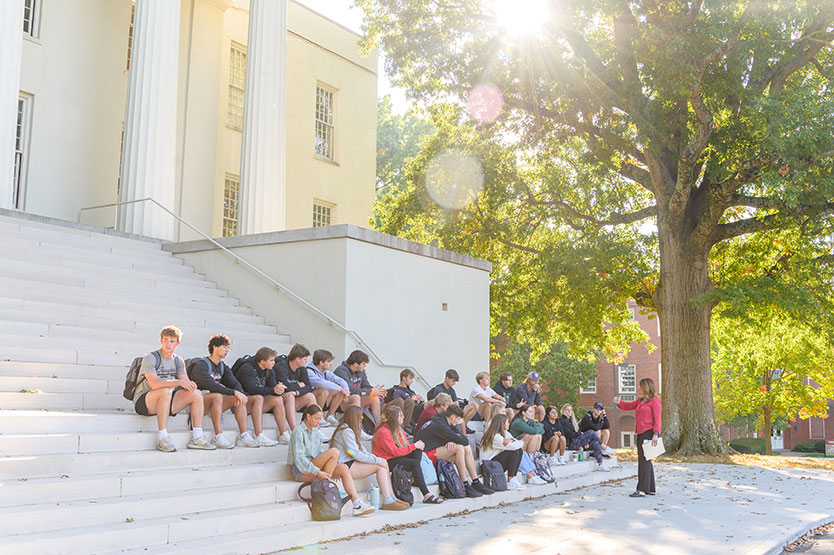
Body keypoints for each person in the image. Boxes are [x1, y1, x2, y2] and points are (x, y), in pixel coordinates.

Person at [132, 326, 214, 452]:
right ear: (161, 341)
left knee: (196, 394)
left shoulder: (178, 361)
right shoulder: (151, 358)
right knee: (165, 390)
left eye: (172, 341)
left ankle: (197, 437)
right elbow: (154, 384)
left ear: (178, 343)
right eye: (165, 340)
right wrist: (178, 382)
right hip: (144, 400)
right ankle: (163, 438)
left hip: (166, 400)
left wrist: (191, 385)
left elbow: (186, 382)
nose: (168, 344)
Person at [287, 404, 375, 516]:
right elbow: (299, 460)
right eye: (316, 418)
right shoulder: (298, 431)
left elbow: (319, 454)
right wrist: (318, 472)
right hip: (300, 471)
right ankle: (325, 490)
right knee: (334, 452)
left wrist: (332, 467)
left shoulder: (315, 432)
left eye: (320, 419)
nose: (319, 422)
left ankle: (357, 505)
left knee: (343, 468)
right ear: (308, 416)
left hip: (314, 466)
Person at [189, 334, 262, 449]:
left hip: (214, 403)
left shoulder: (223, 366)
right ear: (215, 347)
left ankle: (243, 435)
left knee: (239, 397)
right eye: (224, 347)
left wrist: (238, 393)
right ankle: (218, 436)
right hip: (197, 404)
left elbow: (235, 383)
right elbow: (211, 385)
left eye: (228, 347)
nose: (227, 350)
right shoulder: (202, 365)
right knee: (218, 396)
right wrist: (233, 392)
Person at [330, 406, 409, 510]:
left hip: (351, 462)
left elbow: (363, 446)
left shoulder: (352, 429)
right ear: (355, 417)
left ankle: (392, 498)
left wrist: (377, 457)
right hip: (345, 464)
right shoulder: (346, 432)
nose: (362, 418)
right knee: (380, 466)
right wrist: (377, 460)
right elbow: (355, 454)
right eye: (360, 416)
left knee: (383, 462)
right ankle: (388, 500)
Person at [416, 404, 494, 498]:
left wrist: (451, 439)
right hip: (424, 456)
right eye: (458, 420)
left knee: (466, 447)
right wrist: (461, 425)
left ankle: (475, 481)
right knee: (459, 448)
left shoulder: (444, 419)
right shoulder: (441, 425)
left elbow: (460, 438)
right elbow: (463, 440)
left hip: (432, 449)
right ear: (453, 417)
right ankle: (464, 483)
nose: (458, 423)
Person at [372, 405, 443, 504]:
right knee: (414, 462)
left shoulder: (398, 429)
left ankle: (416, 478)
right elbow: (395, 452)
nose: (403, 417)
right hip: (387, 461)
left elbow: (404, 448)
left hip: (395, 456)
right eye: (400, 416)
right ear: (394, 418)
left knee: (417, 451)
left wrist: (416, 447)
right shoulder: (384, 432)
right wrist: (414, 446)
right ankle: (426, 494)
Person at [615, 377, 662, 497]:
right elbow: (628, 406)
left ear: (646, 388)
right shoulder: (640, 401)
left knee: (644, 461)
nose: (638, 389)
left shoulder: (654, 402)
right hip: (640, 432)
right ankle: (650, 488)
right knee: (646, 460)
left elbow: (658, 419)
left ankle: (641, 490)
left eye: (640, 387)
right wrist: (619, 402)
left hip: (648, 432)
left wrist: (656, 434)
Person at [233, 347, 286, 446]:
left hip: (256, 404)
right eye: (271, 360)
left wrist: (279, 389)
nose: (274, 363)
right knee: (259, 397)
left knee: (278, 399)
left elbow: (272, 387)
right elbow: (252, 390)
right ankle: (259, 435)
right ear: (262, 361)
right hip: (240, 404)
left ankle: (283, 434)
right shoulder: (247, 368)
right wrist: (273, 390)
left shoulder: (269, 370)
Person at [273, 343, 318, 430]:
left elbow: (309, 387)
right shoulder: (281, 367)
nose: (306, 362)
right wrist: (298, 385)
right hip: (280, 400)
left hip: (293, 397)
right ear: (297, 359)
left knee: (310, 396)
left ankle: (316, 429)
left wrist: (296, 392)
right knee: (290, 396)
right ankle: (294, 430)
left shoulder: (302, 369)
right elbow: (285, 387)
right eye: (305, 359)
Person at [334, 350, 386, 423]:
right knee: (356, 397)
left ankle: (377, 427)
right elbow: (349, 390)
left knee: (374, 398)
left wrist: (377, 392)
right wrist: (370, 391)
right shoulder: (341, 371)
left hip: (356, 398)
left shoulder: (361, 371)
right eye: (363, 364)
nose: (365, 366)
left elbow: (366, 386)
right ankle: (356, 427)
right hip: (341, 402)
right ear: (355, 364)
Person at [479, 413, 526, 490]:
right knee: (515, 451)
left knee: (518, 451)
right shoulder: (494, 436)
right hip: (488, 466)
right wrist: (521, 442)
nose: (509, 424)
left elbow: (515, 441)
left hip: (495, 464)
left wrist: (511, 440)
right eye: (507, 422)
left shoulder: (505, 433)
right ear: (502, 424)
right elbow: (516, 445)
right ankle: (511, 480)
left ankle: (512, 478)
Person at [306, 349, 350, 428]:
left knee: (340, 391)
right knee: (323, 391)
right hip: (309, 400)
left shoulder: (325, 372)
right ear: (321, 362)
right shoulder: (309, 371)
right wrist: (341, 389)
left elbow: (340, 380)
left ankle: (330, 416)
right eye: (328, 361)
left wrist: (346, 390)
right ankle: (318, 416)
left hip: (322, 400)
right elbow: (322, 383)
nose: (331, 364)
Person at [559, 403, 610, 472]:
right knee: (591, 432)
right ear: (563, 411)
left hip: (577, 441)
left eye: (571, 410)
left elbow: (607, 426)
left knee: (595, 443)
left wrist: (585, 441)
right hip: (571, 444)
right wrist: (580, 435)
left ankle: (600, 464)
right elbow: (569, 434)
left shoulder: (572, 420)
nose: (569, 411)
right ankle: (603, 446)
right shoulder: (563, 420)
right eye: (567, 410)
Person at [384, 369, 424, 434]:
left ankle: (407, 426)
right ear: (404, 378)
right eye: (410, 378)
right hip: (405, 413)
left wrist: (420, 400)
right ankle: (403, 426)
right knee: (408, 401)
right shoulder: (397, 390)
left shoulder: (412, 392)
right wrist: (411, 399)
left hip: (415, 412)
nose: (412, 381)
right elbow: (398, 403)